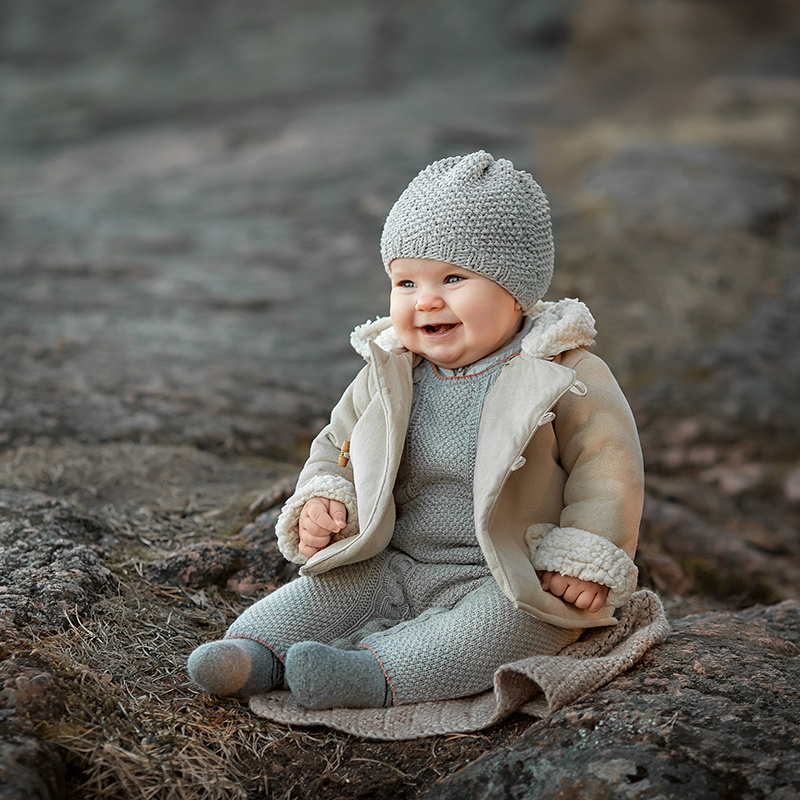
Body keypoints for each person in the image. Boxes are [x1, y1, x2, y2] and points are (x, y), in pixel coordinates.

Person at [187, 151, 644, 710]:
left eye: (453, 278)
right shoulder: (393, 369)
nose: (426, 300)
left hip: (508, 572)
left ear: (516, 292)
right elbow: (337, 444)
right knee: (324, 592)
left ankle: (370, 675)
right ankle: (254, 653)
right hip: (396, 558)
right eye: (405, 281)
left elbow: (608, 469)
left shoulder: (563, 372)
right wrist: (327, 497)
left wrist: (583, 557)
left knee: (510, 627)